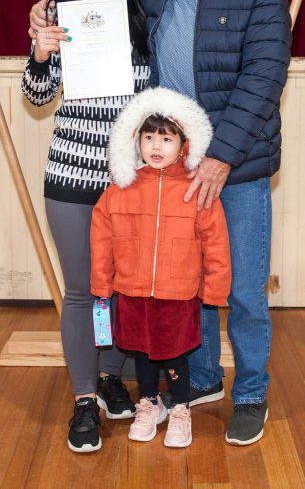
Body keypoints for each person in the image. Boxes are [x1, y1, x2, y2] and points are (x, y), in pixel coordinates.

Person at [30, 0, 291, 446]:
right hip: (168, 165)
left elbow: (265, 72)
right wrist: (46, 15)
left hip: (236, 161)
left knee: (243, 287)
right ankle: (197, 381)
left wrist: (221, 154)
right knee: (182, 281)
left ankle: (249, 391)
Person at [21, 0, 151, 454]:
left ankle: (109, 376)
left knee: (122, 293)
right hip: (72, 178)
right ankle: (82, 401)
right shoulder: (55, 11)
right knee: (83, 292)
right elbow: (35, 98)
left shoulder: (148, 15)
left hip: (132, 184)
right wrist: (41, 53)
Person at [89, 87, 231, 448]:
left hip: (178, 292)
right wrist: (102, 284)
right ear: (135, 141)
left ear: (184, 143)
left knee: (175, 353)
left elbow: (215, 241)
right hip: (133, 290)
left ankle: (180, 408)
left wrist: (213, 289)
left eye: (166, 138)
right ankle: (148, 404)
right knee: (142, 352)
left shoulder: (196, 189)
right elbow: (102, 237)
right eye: (149, 137)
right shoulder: (120, 189)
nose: (156, 146)